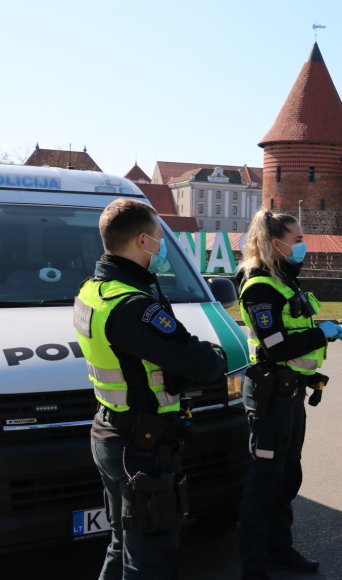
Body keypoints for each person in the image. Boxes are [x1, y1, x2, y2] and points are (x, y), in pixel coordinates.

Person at [74, 199, 227, 580]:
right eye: (160, 238)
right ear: (143, 241)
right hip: (142, 446)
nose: (162, 246)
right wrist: (212, 353)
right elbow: (204, 365)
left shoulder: (95, 290)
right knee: (150, 559)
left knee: (121, 542)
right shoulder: (132, 305)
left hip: (111, 432)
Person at [235, 209, 342, 580]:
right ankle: (253, 566)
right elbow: (277, 346)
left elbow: (294, 327)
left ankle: (280, 551)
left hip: (290, 393)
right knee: (264, 482)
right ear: (274, 243)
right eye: (297, 239)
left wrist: (322, 329)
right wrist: (323, 333)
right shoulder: (259, 287)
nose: (303, 245)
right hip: (270, 397)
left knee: (286, 477)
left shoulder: (283, 281)